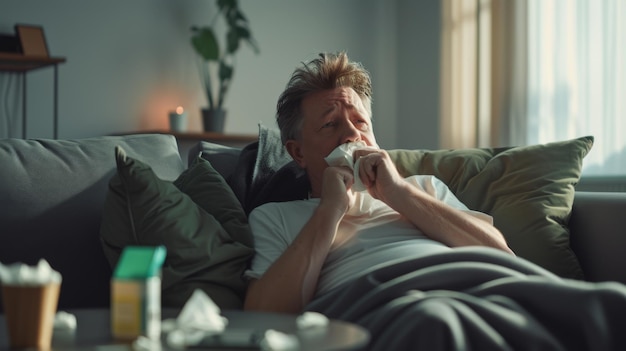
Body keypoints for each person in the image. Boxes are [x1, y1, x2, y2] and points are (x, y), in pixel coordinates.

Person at [243, 51, 514, 313]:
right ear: (298, 152)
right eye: (330, 124)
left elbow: (502, 256)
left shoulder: (425, 188)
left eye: (360, 122)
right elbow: (266, 312)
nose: (352, 134)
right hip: (393, 309)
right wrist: (330, 210)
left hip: (475, 294)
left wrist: (398, 192)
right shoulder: (275, 217)